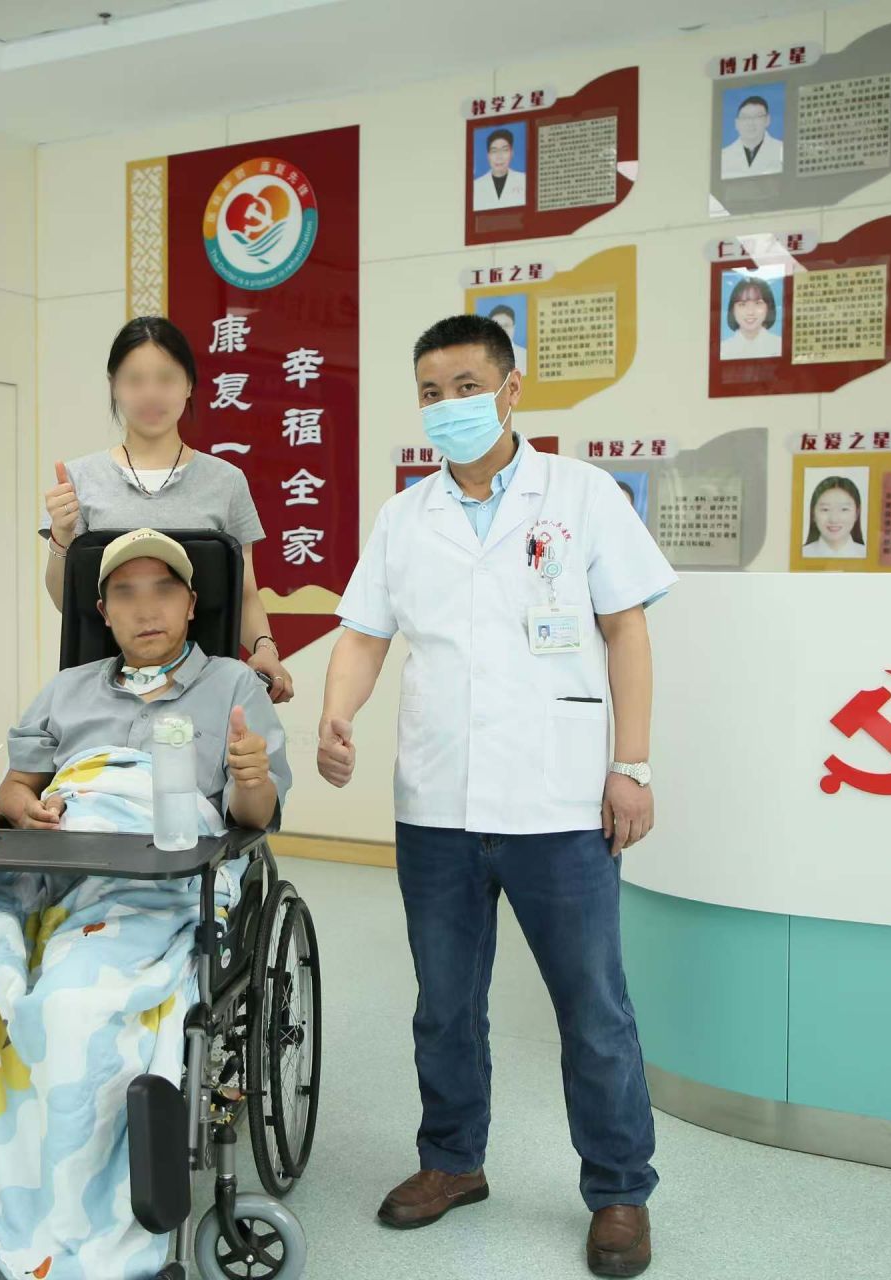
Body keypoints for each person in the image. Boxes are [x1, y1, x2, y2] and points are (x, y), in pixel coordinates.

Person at [0, 528, 288, 1276]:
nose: (146, 609)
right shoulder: (67, 690)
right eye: (125, 593)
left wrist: (251, 774)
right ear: (103, 611)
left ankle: (80, 1223)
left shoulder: (233, 687)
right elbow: (18, 787)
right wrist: (21, 805)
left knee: (68, 1001)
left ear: (193, 604)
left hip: (153, 880)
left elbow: (250, 818)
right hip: (47, 863)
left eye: (163, 590)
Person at [316, 313, 675, 1278]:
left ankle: (620, 1189)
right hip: (437, 801)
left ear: (512, 389)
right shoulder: (405, 517)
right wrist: (338, 713)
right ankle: (452, 1161)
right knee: (444, 1003)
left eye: (466, 387)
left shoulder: (582, 495)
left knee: (593, 1007)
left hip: (560, 802)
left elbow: (627, 631)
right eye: (431, 394)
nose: (449, 407)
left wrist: (633, 765)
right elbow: (364, 633)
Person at [42, 316, 296, 702]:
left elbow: (244, 593)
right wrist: (61, 537)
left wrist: (265, 648)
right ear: (113, 385)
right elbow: (68, 603)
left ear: (189, 384)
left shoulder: (226, 481)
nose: (151, 394)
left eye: (166, 378)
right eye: (135, 380)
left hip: (205, 692)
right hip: (102, 694)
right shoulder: (79, 479)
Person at [802, 475, 867, 558]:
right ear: (813, 514)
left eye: (844, 509)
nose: (834, 519)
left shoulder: (868, 555)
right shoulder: (801, 554)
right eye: (825, 509)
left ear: (856, 513)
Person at [721, 94, 784, 179]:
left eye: (757, 117)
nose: (750, 123)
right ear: (736, 123)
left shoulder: (782, 150)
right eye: (745, 117)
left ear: (767, 120)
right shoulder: (724, 156)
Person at [720, 275, 782, 360]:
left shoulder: (780, 346)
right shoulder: (723, 350)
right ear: (733, 310)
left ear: (769, 307)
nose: (750, 312)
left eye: (758, 303)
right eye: (742, 304)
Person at [473, 127, 526, 210]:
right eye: (494, 151)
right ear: (488, 156)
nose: (499, 157)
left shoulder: (524, 180)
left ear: (512, 153)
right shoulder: (476, 186)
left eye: (505, 150)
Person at [487, 302, 530, 375]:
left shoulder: (525, 356)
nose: (502, 330)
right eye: (497, 326)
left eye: (506, 325)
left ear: (513, 328)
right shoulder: (481, 356)